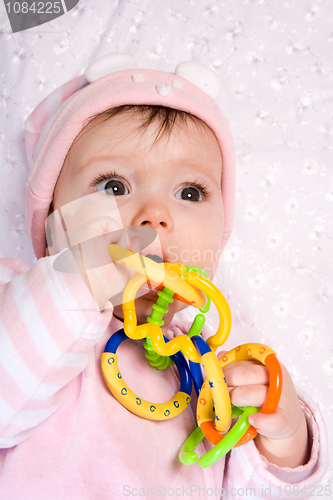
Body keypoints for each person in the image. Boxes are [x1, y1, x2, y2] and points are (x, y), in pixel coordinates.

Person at [0, 54, 327, 499]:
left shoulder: (210, 364)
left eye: (190, 193)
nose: (154, 217)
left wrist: (285, 440)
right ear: (53, 220)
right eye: (113, 187)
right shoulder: (17, 297)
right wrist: (76, 277)